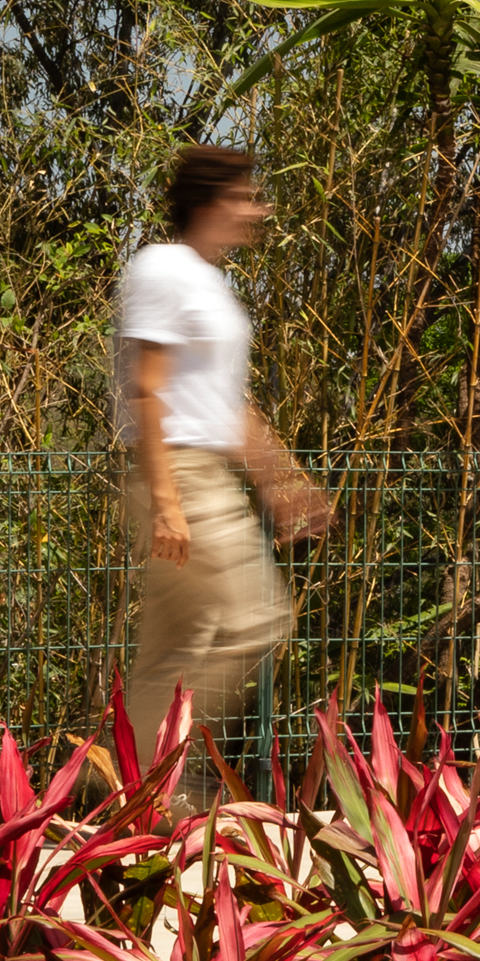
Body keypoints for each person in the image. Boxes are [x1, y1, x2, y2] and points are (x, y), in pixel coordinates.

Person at [117, 143, 328, 780]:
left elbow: (225, 403)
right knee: (258, 619)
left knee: (170, 651)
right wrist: (168, 502)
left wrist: (283, 481)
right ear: (211, 200)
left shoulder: (211, 282)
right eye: (246, 196)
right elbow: (146, 388)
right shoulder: (162, 268)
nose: (256, 209)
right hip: (180, 474)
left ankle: (132, 792)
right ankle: (171, 778)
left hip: (201, 470)